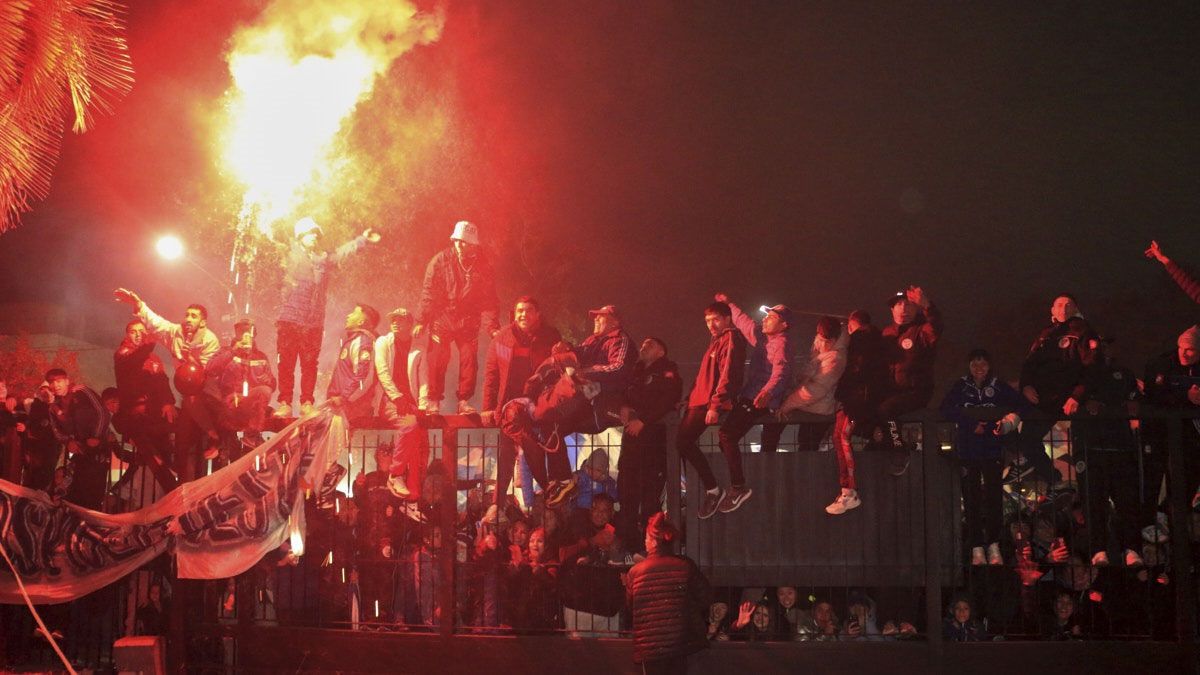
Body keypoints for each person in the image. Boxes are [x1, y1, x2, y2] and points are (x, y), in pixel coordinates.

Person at [274, 217, 381, 418]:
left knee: (309, 363)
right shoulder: (288, 251)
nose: (315, 236)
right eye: (311, 233)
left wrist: (361, 240)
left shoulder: (322, 258)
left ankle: (306, 402)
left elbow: (340, 254)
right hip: (289, 318)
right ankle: (285, 402)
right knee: (286, 363)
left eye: (317, 233)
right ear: (300, 236)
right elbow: (274, 238)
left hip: (313, 322)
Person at [939, 349, 1026, 565]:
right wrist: (971, 423)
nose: (979, 369)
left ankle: (994, 544)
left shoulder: (998, 386)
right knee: (971, 498)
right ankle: (977, 546)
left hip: (992, 450)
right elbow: (945, 409)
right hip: (968, 451)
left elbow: (1021, 405)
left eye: (983, 364)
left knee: (994, 498)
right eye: (974, 365)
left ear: (989, 366)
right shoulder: (961, 386)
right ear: (968, 367)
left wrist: (1007, 423)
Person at [710, 293, 795, 514]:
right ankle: (738, 484)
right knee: (726, 437)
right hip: (750, 395)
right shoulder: (762, 338)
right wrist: (729, 304)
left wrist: (768, 392)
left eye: (772, 317)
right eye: (766, 316)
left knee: (726, 435)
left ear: (784, 325)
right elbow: (744, 321)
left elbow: (782, 372)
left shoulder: (781, 344)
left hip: (760, 399)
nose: (765, 319)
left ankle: (739, 487)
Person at [482, 296, 562, 508]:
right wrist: (488, 407)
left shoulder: (550, 336)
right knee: (506, 454)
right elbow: (492, 374)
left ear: (538, 314)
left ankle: (503, 505)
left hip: (540, 402)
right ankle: (544, 488)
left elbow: (558, 368)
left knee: (534, 449)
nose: (523, 314)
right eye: (519, 311)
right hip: (510, 404)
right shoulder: (502, 338)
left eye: (528, 310)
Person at [415, 220, 500, 414]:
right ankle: (434, 400)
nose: (460, 245)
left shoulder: (483, 266)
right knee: (437, 358)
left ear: (474, 245)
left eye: (465, 242)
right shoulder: (439, 261)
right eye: (458, 241)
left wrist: (492, 326)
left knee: (469, 359)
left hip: (468, 319)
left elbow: (489, 300)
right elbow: (429, 292)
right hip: (443, 317)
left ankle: (463, 401)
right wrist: (422, 320)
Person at [1074, 338, 1144, 568]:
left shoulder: (1124, 373)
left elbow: (1136, 397)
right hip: (1092, 446)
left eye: (1108, 346)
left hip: (1121, 445)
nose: (1104, 351)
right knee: (1094, 500)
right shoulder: (1083, 374)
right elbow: (1075, 401)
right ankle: (1098, 550)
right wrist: (1088, 404)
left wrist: (1133, 405)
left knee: (1127, 500)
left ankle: (1132, 548)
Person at [1016, 294, 1098, 484]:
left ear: (1076, 309)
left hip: (1064, 399)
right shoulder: (1046, 333)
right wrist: (1026, 385)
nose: (1064, 308)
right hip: (1041, 398)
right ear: (1052, 310)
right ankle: (1055, 482)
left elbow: (1092, 367)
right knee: (1025, 439)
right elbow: (1029, 363)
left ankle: (1062, 485)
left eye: (1069, 304)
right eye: (1059, 304)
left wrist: (1077, 396)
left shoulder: (1083, 331)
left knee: (1080, 452)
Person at [676, 302, 746, 519]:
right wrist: (688, 399)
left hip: (709, 403)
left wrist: (716, 404)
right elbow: (704, 376)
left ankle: (719, 489)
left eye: (715, 319)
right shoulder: (715, 341)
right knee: (682, 443)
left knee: (683, 442)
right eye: (707, 320)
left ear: (727, 319)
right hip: (699, 402)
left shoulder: (731, 338)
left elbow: (727, 374)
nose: (711, 324)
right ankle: (714, 490)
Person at [617, 337, 683, 549]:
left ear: (661, 351)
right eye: (643, 344)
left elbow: (668, 399)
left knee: (649, 503)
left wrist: (644, 420)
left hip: (654, 445)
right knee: (627, 498)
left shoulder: (667, 371)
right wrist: (624, 405)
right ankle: (629, 550)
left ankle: (654, 550)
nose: (644, 347)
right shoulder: (635, 373)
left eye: (650, 344)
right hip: (632, 447)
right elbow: (623, 393)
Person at [625, 512, 710, 674]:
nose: (644, 541)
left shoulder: (635, 573)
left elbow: (631, 607)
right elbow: (705, 597)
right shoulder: (685, 566)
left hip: (650, 647)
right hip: (681, 642)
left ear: (653, 542)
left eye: (646, 537)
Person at [827, 310, 888, 514]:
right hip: (865, 399)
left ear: (852, 325)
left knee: (841, 437)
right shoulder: (878, 341)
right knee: (842, 437)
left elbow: (856, 371)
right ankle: (847, 491)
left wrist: (844, 393)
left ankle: (849, 491)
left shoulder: (860, 342)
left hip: (856, 399)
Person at [878, 286, 942, 476]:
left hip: (916, 391)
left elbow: (937, 327)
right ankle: (875, 446)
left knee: (886, 410)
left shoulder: (922, 331)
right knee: (876, 408)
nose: (903, 308)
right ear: (892, 309)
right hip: (892, 392)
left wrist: (928, 306)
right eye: (898, 304)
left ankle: (900, 450)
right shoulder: (887, 334)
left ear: (916, 309)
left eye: (908, 304)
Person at [762, 315, 848, 455]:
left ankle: (770, 460)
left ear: (833, 340)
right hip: (810, 406)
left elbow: (815, 389)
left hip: (818, 409)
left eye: (824, 341)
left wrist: (788, 403)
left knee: (807, 446)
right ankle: (769, 457)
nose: (820, 343)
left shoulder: (835, 358)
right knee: (803, 442)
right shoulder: (826, 347)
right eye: (819, 338)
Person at [196, 318, 277, 459]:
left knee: (264, 391)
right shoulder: (226, 351)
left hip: (250, 405)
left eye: (249, 330)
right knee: (232, 452)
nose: (245, 334)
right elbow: (210, 369)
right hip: (229, 402)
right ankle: (223, 449)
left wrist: (269, 380)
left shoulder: (261, 356)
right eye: (241, 330)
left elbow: (271, 385)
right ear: (236, 332)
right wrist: (233, 351)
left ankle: (251, 437)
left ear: (254, 333)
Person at [45, 368, 110, 509]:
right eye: (51, 382)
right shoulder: (53, 407)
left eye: (59, 381)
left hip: (99, 451)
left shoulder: (82, 391)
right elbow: (57, 431)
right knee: (77, 497)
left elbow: (102, 412)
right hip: (78, 455)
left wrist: (96, 436)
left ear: (67, 381)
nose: (55, 385)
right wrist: (68, 442)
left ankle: (92, 527)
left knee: (94, 496)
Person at [326, 303, 381, 421]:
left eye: (354, 313)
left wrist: (343, 397)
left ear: (361, 322)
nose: (348, 316)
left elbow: (364, 377)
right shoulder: (354, 340)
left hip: (353, 411)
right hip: (344, 407)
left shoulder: (363, 342)